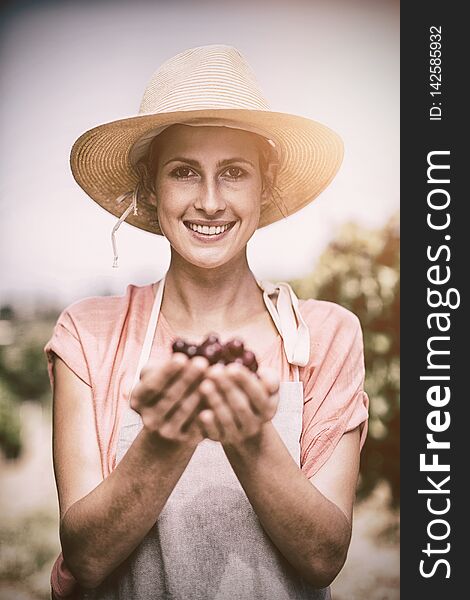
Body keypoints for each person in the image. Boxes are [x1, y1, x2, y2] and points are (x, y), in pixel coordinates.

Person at [45, 44, 369, 600]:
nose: (211, 201)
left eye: (235, 173)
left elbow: (323, 557)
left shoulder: (327, 335)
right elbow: (88, 558)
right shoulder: (88, 334)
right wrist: (166, 442)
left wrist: (248, 438)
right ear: (152, 189)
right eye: (184, 172)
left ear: (265, 188)